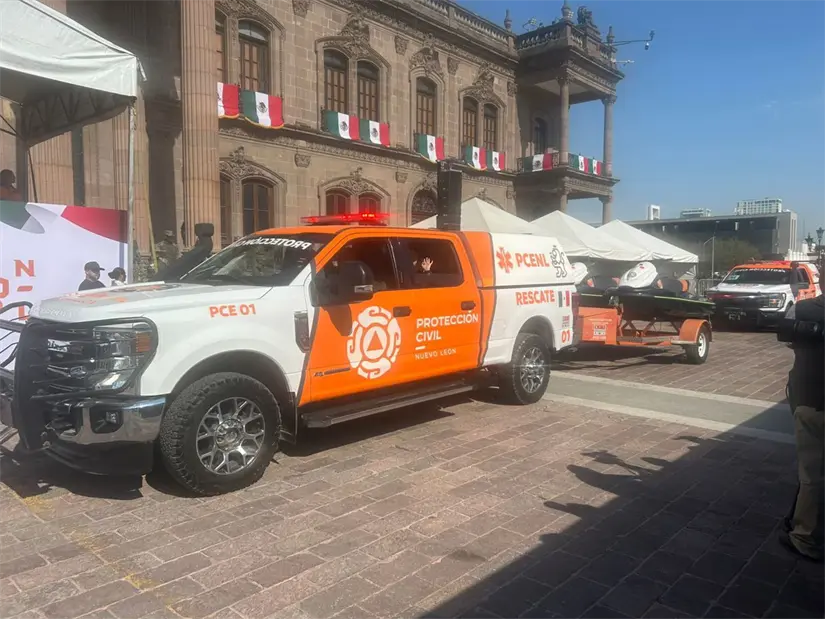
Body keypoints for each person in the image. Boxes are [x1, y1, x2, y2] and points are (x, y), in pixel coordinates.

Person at [779, 293, 825, 562]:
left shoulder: (805, 309)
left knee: (812, 473)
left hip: (811, 400)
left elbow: (787, 336)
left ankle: (805, 537)